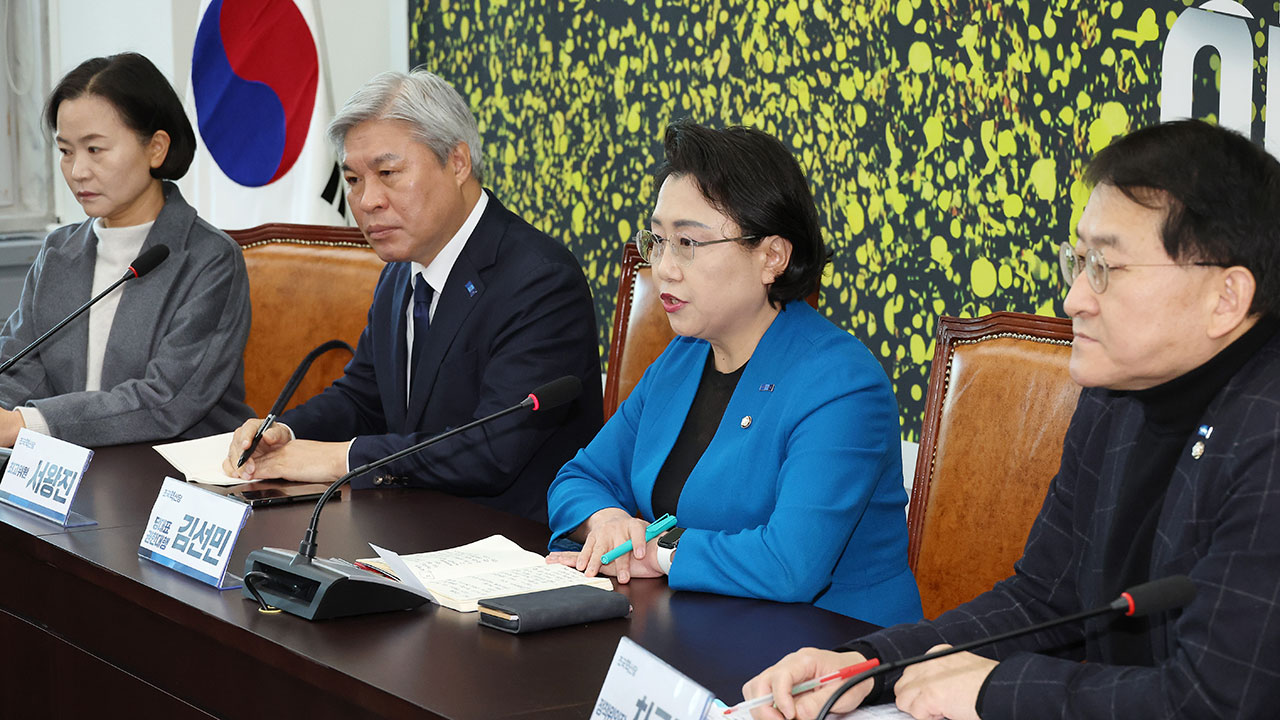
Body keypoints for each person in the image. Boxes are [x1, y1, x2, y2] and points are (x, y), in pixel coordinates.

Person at [741, 118, 1280, 720]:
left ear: (1226, 299)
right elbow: (1041, 600)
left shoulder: (1268, 434)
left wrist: (994, 690)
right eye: (1077, 262)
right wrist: (866, 665)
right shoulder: (1117, 396)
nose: (1075, 298)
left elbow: (1217, 704)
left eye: (1105, 268)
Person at [544, 121, 921, 626]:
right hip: (697, 631)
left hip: (830, 656)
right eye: (658, 240)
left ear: (772, 257)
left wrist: (659, 554)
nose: (665, 267)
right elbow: (579, 476)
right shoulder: (682, 358)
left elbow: (791, 563)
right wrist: (607, 520)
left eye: (688, 244)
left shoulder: (843, 384)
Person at [223, 69, 602, 524]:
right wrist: (283, 432)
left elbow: (490, 450)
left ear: (457, 162)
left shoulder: (540, 280)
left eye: (387, 173)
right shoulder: (403, 269)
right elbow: (365, 397)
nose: (366, 201)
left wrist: (337, 459)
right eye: (354, 179)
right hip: (408, 526)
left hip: (510, 545)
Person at [0, 52, 252, 448]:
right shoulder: (58, 251)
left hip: (171, 478)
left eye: (95, 150)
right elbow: (19, 369)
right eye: (66, 151)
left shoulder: (210, 259)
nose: (78, 170)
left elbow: (166, 400)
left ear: (156, 148)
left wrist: (26, 425)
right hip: (65, 472)